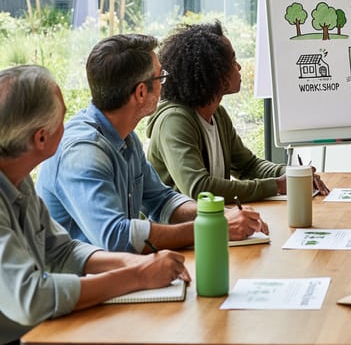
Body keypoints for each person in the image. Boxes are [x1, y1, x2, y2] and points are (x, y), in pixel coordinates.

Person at [0, 65, 190, 344]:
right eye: (63, 118)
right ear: (41, 138)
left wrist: (136, 262)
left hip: (42, 330)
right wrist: (137, 275)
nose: (70, 125)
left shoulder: (19, 177)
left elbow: (62, 251)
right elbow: (31, 299)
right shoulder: (80, 149)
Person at [36, 34, 267, 254]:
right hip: (85, 288)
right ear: (140, 92)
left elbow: (161, 201)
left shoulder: (126, 138)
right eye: (160, 77)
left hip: (119, 276)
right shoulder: (83, 153)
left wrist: (218, 215)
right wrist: (213, 228)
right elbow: (116, 238)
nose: (164, 84)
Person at [146, 21, 295, 202]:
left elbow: (248, 166)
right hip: (180, 228)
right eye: (232, 61)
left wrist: (290, 174)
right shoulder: (174, 121)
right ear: (213, 73)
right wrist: (276, 185)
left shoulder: (218, 115)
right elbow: (200, 188)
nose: (238, 67)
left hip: (210, 224)